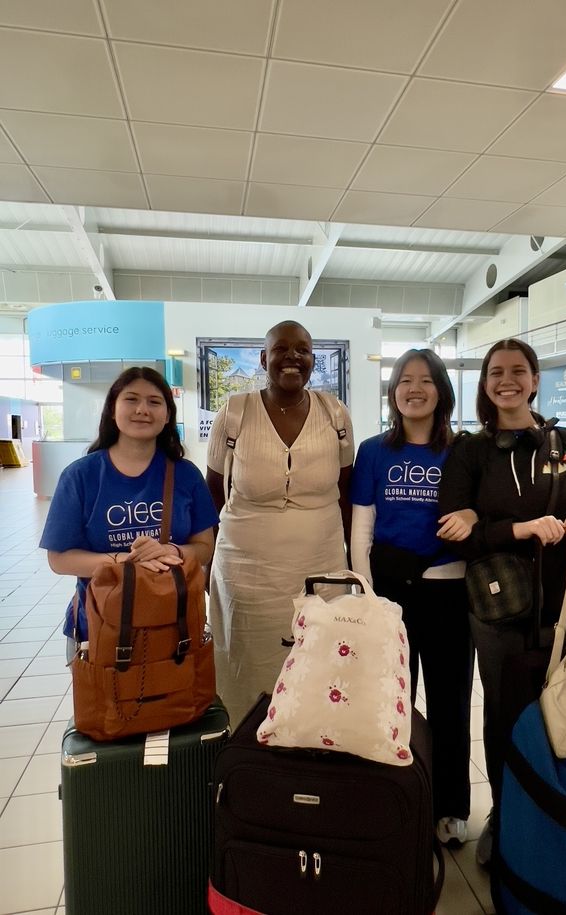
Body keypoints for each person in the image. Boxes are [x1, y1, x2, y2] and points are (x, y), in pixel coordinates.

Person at [438, 338, 566, 866]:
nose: (506, 380)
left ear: (535, 380)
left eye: (518, 371)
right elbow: (455, 529)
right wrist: (517, 529)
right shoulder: (471, 451)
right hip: (497, 609)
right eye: (496, 372)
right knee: (506, 715)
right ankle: (508, 817)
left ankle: (565, 814)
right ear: (485, 384)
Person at [350, 348, 475, 847]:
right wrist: (368, 594)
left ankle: (450, 807)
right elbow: (362, 526)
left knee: (450, 707)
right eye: (405, 380)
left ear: (441, 390)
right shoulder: (374, 450)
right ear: (393, 391)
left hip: (447, 594)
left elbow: (478, 514)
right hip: (389, 597)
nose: (414, 388)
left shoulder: (463, 450)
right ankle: (394, 799)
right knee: (389, 703)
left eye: (425, 380)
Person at [206, 320, 354, 726]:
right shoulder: (234, 412)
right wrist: (205, 566)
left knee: (316, 660)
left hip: (319, 565)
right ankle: (246, 753)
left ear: (312, 359)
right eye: (282, 349)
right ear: (263, 358)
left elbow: (346, 492)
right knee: (247, 666)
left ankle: (310, 752)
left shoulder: (335, 413)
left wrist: (353, 564)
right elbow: (213, 493)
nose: (293, 357)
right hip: (246, 572)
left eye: (303, 350)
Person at [40, 366, 218, 657]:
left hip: (175, 626)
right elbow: (60, 559)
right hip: (98, 626)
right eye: (131, 399)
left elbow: (205, 549)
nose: (142, 410)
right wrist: (128, 561)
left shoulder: (186, 475)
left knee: (175, 702)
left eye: (154, 402)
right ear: (113, 409)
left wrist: (168, 551)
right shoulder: (81, 476)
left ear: (167, 414)